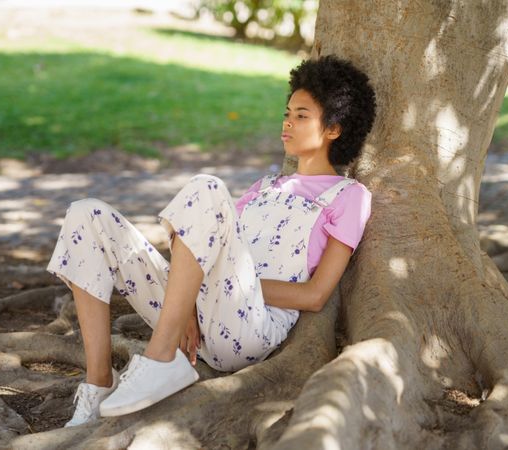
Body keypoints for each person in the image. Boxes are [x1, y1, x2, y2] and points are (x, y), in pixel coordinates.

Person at [46, 54, 376, 427]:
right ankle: (97, 384)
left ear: (333, 129)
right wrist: (187, 302)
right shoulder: (263, 187)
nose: (287, 122)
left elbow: (315, 295)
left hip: (249, 326)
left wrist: (214, 289)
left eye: (301, 116)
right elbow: (200, 240)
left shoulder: (349, 196)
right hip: (197, 316)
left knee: (207, 188)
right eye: (287, 112)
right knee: (86, 214)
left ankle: (160, 358)